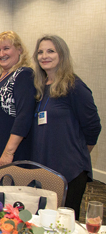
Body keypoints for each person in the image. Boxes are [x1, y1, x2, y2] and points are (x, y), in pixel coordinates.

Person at [30, 35, 101, 219]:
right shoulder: (39, 87)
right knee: (44, 220)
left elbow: (93, 126)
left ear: (62, 54)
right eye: (40, 52)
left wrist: (77, 153)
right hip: (43, 167)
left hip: (69, 170)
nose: (44, 56)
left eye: (50, 51)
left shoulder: (74, 86)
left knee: (64, 224)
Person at [0, 31, 35, 200]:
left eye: (6, 48)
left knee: (5, 196)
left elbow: (24, 116)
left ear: (19, 50)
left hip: (9, 146)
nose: (1, 54)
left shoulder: (23, 75)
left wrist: (9, 152)